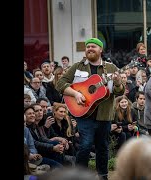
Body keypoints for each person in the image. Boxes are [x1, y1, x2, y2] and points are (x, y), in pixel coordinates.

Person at [56, 37, 125, 180]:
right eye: (88, 47)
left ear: (101, 50)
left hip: (104, 115)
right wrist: (75, 94)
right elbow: (60, 83)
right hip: (83, 114)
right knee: (85, 145)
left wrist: (118, 83)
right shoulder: (77, 67)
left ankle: (103, 176)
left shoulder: (111, 68)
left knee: (102, 147)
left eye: (93, 46)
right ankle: (80, 176)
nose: (90, 49)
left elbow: (119, 92)